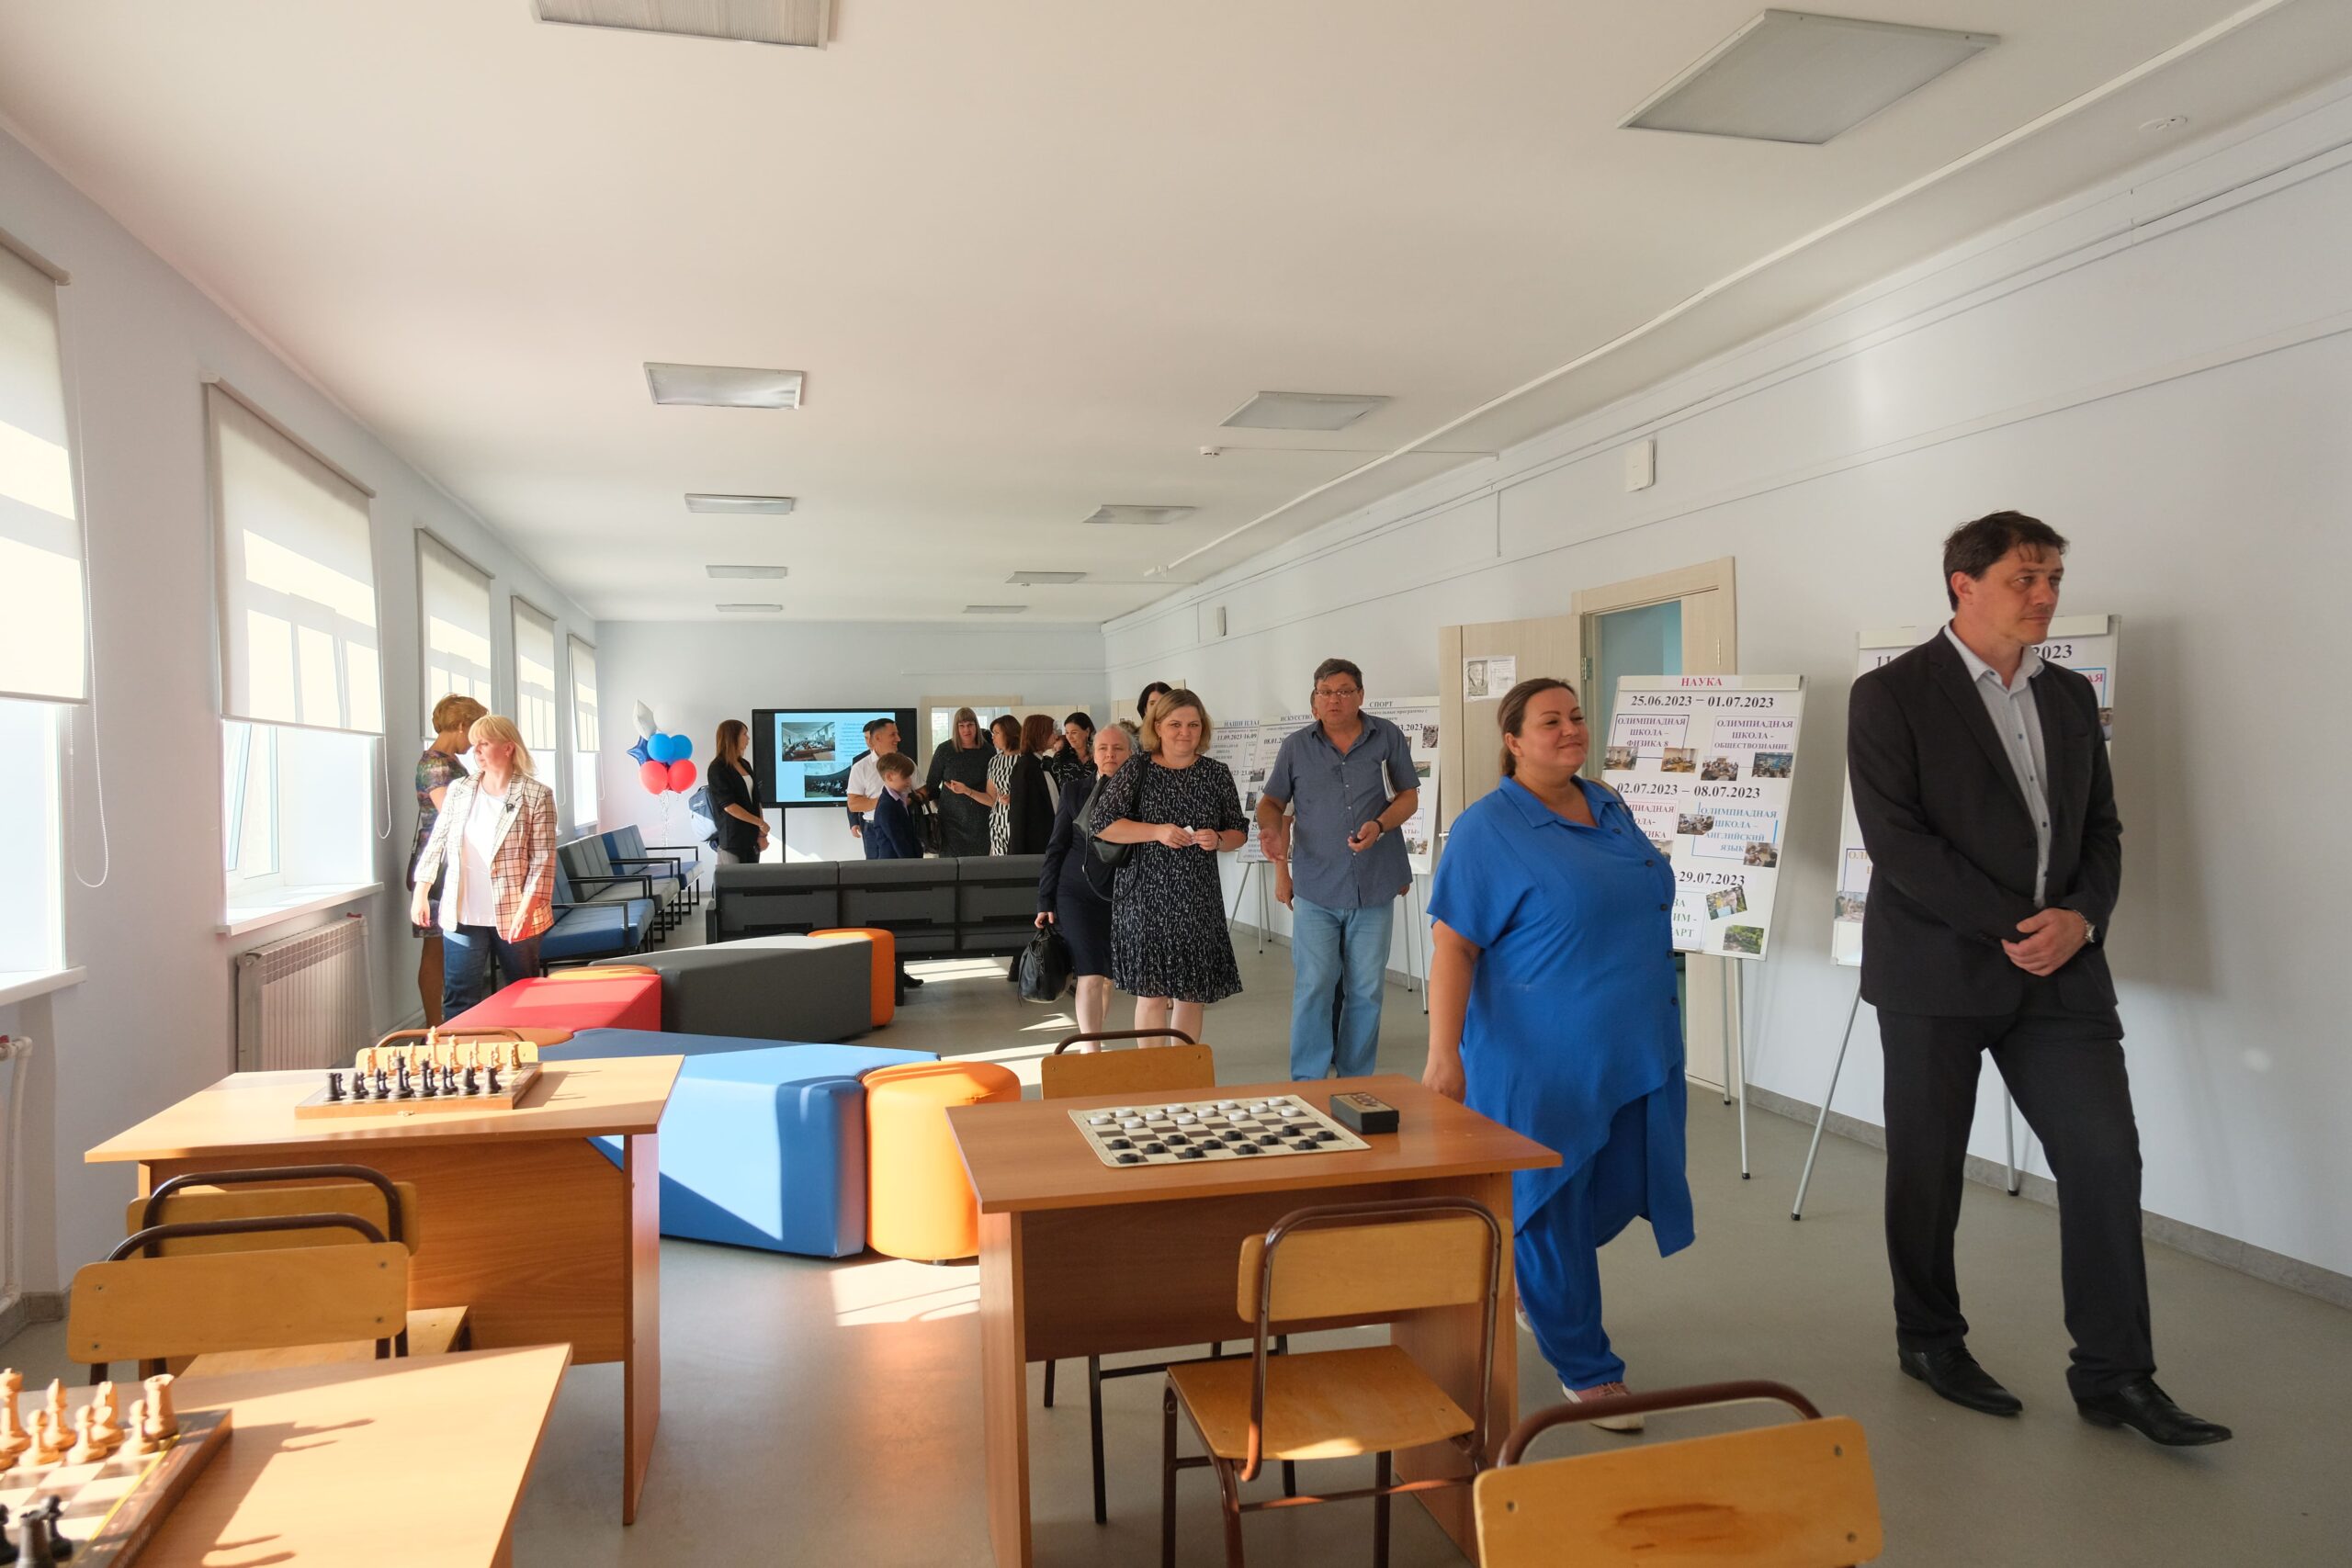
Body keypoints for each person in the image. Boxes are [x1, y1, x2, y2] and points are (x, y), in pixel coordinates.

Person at [1848, 511, 2227, 1446]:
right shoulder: (1889, 694)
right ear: (1964, 584)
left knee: (2104, 1159)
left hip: (2062, 972)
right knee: (1929, 1168)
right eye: (2026, 578)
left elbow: (2100, 830)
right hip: (1935, 971)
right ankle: (1928, 1338)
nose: (2046, 594)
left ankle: (2115, 1375)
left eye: (2053, 576)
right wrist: (2021, 925)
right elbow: (1898, 843)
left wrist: (2082, 918)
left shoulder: (2067, 696)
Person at [1423, 677, 1690, 1430]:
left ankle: (1532, 1285)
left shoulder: (1606, 803)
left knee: (1617, 1183)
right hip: (1539, 1056)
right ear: (1513, 740)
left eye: (1576, 715)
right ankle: (1588, 1367)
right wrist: (1444, 1054)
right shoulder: (1488, 828)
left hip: (1633, 1044)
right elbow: (1453, 946)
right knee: (1551, 1201)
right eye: (1550, 721)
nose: (1570, 728)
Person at [1256, 658, 1419, 1080]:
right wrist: (1271, 832)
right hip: (1317, 886)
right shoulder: (1296, 747)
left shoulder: (1387, 737)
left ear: (1360, 695)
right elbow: (1272, 802)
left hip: (1374, 883)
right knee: (1315, 985)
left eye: (1344, 691)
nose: (1335, 700)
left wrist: (1380, 825)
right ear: (1314, 700)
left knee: (1366, 989)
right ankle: (1308, 1080)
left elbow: (1409, 796)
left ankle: (1355, 1079)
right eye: (1326, 692)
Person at [1090, 690, 1248, 1041]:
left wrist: (1218, 839)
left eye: (1193, 724)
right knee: (1152, 995)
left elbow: (1239, 831)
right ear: (1158, 727)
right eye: (1175, 724)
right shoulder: (1137, 768)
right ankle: (1154, 1070)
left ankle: (1184, 1068)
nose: (1185, 732)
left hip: (1197, 899)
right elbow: (1102, 823)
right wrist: (1157, 831)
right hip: (1145, 898)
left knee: (1191, 995)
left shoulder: (1215, 773)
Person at [408, 714, 559, 1020]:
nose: (476, 750)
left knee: (523, 994)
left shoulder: (536, 795)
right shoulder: (459, 790)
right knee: (459, 997)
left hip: (516, 912)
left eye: (484, 744)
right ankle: (460, 1050)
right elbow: (437, 842)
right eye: (474, 744)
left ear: (508, 747)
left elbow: (543, 859)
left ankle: (524, 1047)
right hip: (463, 912)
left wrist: (527, 909)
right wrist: (421, 892)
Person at [1036, 721, 1135, 1038]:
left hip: (1123, 894)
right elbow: (1056, 847)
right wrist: (1045, 899)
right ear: (1093, 754)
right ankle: (1090, 1047)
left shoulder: (1143, 795)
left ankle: (1096, 1039)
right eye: (1103, 748)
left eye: (1118, 748)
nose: (1110, 754)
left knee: (1107, 977)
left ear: (1131, 754)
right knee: (1090, 973)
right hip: (1076, 893)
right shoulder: (1073, 791)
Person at [409, 694, 487, 1026]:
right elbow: (450, 815)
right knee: (436, 948)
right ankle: (434, 1026)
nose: (476, 741)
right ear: (461, 726)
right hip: (440, 865)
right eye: (474, 731)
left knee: (444, 946)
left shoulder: (447, 761)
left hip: (449, 860)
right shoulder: (437, 765)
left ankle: (445, 1022)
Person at [924, 706, 994, 856]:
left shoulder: (989, 752)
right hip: (950, 821)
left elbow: (993, 789)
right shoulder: (944, 750)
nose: (966, 730)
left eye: (970, 725)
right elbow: (931, 785)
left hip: (980, 821)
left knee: (978, 864)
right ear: (956, 728)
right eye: (961, 726)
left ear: (976, 726)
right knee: (950, 865)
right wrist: (942, 804)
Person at [707, 718, 770, 865]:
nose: (748, 738)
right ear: (732, 737)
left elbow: (756, 800)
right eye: (744, 734)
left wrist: (761, 833)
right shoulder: (717, 768)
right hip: (733, 840)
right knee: (735, 879)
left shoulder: (745, 764)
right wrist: (760, 823)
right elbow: (729, 806)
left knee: (752, 878)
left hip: (752, 839)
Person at [844, 716, 900, 857]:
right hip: (870, 822)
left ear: (877, 737)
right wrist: (853, 821)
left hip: (899, 823)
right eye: (865, 738)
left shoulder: (902, 759)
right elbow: (853, 796)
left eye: (870, 737)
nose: (868, 741)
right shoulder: (859, 762)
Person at [1009, 713, 1060, 850]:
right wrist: (1017, 856)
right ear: (1040, 734)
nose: (1056, 736)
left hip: (1050, 841)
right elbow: (1018, 815)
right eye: (1052, 731)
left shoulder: (1045, 763)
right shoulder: (1024, 767)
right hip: (1034, 846)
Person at [864, 752, 925, 860]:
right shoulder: (886, 806)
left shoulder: (899, 799)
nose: (909, 781)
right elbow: (898, 840)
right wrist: (912, 864)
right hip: (895, 863)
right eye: (905, 777)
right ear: (889, 777)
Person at [1052, 711, 1097, 793]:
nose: (1069, 737)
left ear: (1087, 731)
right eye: (1067, 733)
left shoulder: (1099, 756)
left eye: (1074, 733)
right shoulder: (1060, 757)